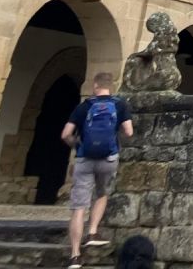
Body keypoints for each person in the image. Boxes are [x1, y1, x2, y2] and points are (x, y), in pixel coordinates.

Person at [60, 72, 133, 269]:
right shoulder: (120, 105)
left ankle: (75, 256)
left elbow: (66, 134)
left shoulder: (84, 106)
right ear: (112, 86)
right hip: (108, 158)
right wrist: (114, 143)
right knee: (102, 194)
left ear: (95, 85)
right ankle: (92, 232)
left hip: (84, 158)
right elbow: (129, 132)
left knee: (78, 207)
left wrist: (76, 145)